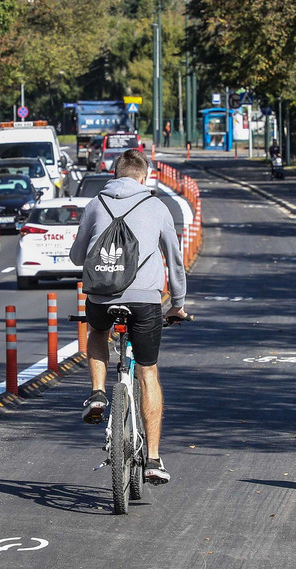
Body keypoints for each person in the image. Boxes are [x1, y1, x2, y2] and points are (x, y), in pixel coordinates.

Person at [70, 148, 187, 484]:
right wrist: (177, 304)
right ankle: (152, 460)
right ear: (144, 176)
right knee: (148, 373)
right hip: (145, 302)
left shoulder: (96, 204)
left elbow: (79, 256)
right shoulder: (157, 206)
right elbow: (175, 261)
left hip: (101, 296)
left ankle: (97, 393)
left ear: (115, 174)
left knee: (96, 333)